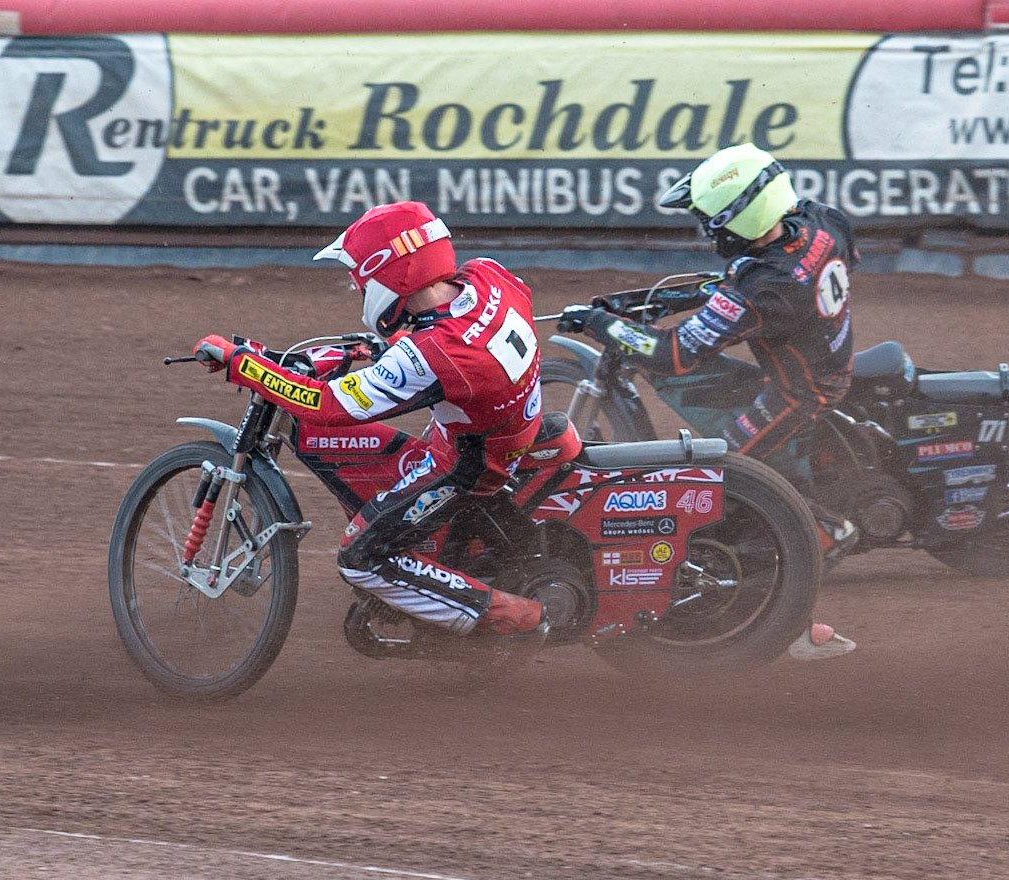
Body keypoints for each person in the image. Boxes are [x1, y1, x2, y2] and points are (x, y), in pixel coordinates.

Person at [194, 200, 548, 655]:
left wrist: (242, 364)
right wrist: (395, 341)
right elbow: (448, 335)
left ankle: (511, 617)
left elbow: (324, 405)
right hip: (506, 427)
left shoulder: (433, 354)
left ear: (389, 271)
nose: (357, 284)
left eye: (359, 275)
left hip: (466, 466)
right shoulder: (488, 276)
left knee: (360, 558)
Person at [556, 143, 858, 660]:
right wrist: (660, 300)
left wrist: (601, 324)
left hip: (797, 393)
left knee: (724, 483)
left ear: (743, 215)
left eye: (710, 220)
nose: (707, 231)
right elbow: (748, 276)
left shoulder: (769, 289)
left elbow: (673, 355)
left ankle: (808, 576)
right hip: (817, 359)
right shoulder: (819, 221)